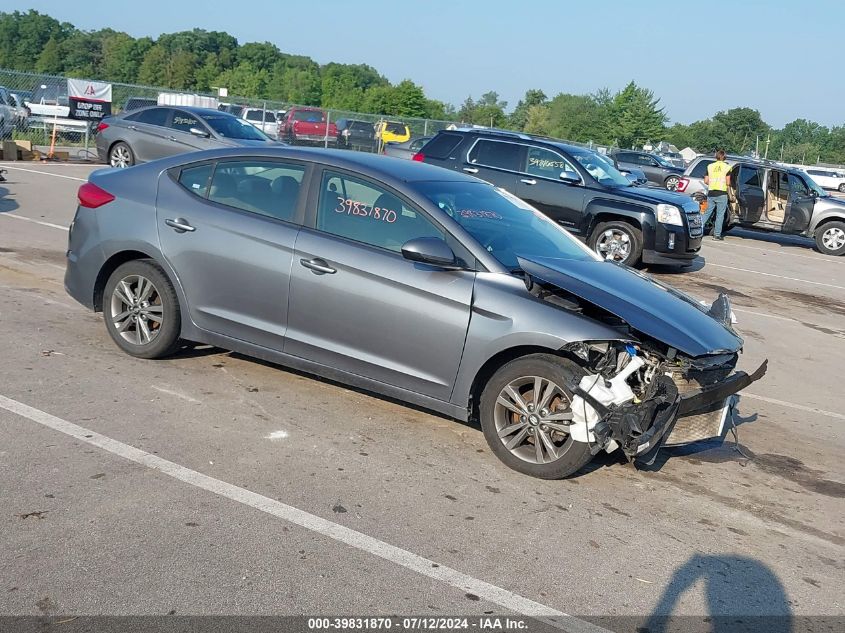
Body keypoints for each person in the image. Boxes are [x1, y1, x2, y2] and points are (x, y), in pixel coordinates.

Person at [703, 150, 731, 240]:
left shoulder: (710, 166)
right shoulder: (727, 167)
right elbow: (728, 182)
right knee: (720, 215)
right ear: (724, 157)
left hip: (711, 192)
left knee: (707, 213)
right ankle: (717, 235)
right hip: (722, 193)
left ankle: (697, 230)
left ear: (716, 156)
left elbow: (706, 181)